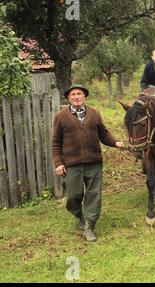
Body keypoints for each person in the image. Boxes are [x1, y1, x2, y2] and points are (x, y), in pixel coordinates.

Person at [51, 84, 124, 242]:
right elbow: (55, 142)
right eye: (73, 95)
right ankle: (79, 215)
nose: (76, 97)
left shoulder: (94, 113)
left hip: (93, 162)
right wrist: (58, 163)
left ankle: (89, 226)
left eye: (79, 94)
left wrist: (116, 143)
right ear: (68, 98)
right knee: (73, 195)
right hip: (72, 163)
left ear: (84, 96)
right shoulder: (61, 116)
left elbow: (103, 134)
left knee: (94, 195)